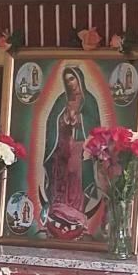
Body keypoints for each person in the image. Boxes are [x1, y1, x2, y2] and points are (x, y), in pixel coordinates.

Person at [42, 65, 99, 234]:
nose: (70, 83)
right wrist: (64, 119)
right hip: (62, 147)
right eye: (67, 80)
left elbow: (94, 124)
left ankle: (76, 213)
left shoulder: (89, 100)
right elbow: (52, 120)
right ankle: (59, 211)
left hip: (80, 147)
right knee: (60, 177)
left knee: (76, 179)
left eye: (72, 78)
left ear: (79, 79)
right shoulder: (62, 99)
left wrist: (80, 119)